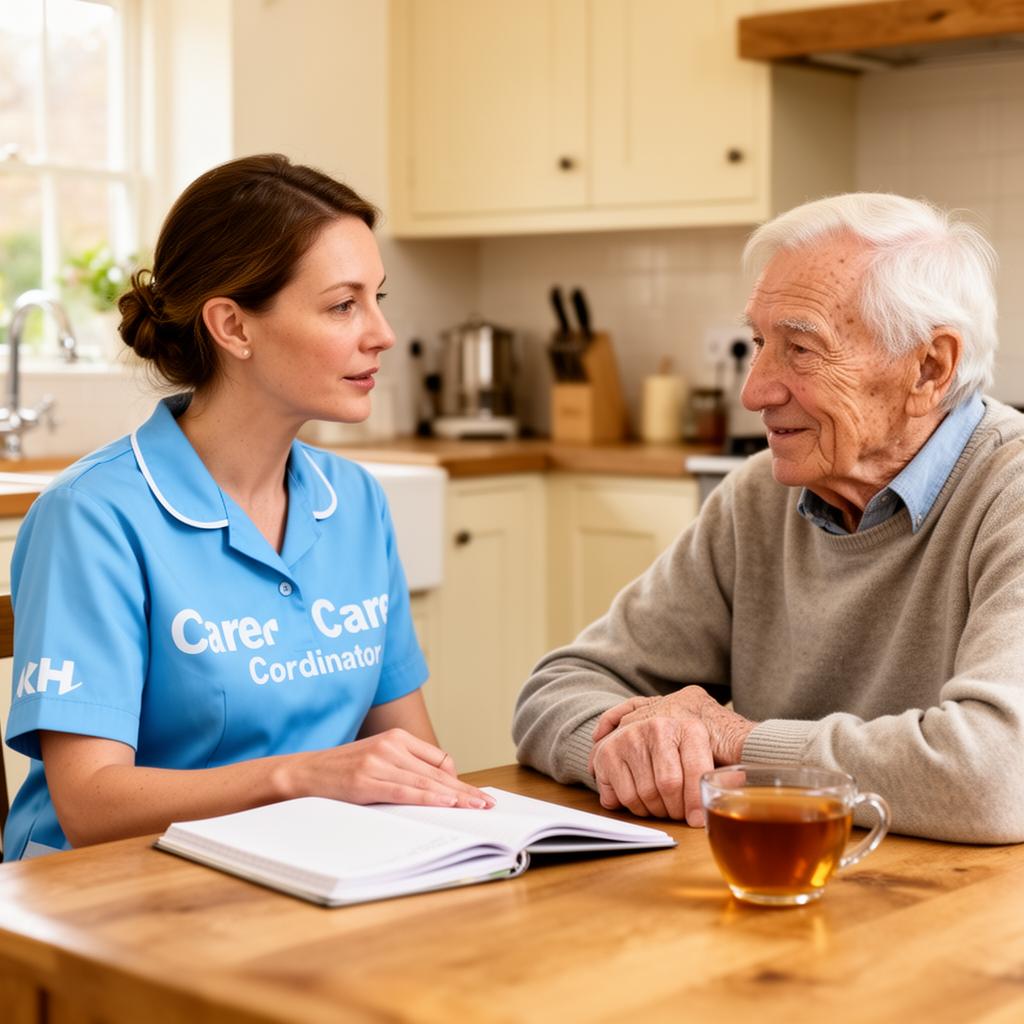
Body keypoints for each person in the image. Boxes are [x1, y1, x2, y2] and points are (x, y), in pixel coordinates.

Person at [3, 154, 492, 861]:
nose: (381, 333)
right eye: (343, 305)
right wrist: (301, 778)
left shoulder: (354, 503)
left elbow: (413, 755)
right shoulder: (92, 517)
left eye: (377, 298)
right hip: (105, 904)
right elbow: (90, 805)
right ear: (232, 327)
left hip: (305, 878)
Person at [514, 192, 1024, 844]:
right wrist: (627, 747)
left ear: (929, 367)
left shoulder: (1009, 493)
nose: (754, 391)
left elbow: (998, 775)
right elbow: (555, 689)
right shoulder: (758, 496)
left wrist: (741, 742)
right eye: (758, 343)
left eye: (800, 350)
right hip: (774, 890)